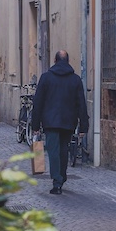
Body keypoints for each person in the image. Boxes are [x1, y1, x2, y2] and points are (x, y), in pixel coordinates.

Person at [31, 50, 89, 195]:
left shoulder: (46, 78)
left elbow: (38, 102)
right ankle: (61, 177)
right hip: (68, 121)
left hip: (50, 121)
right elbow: (81, 103)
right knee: (64, 150)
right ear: (68, 61)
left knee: (53, 151)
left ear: (55, 60)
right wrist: (84, 126)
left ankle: (57, 181)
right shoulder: (75, 79)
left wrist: (35, 124)